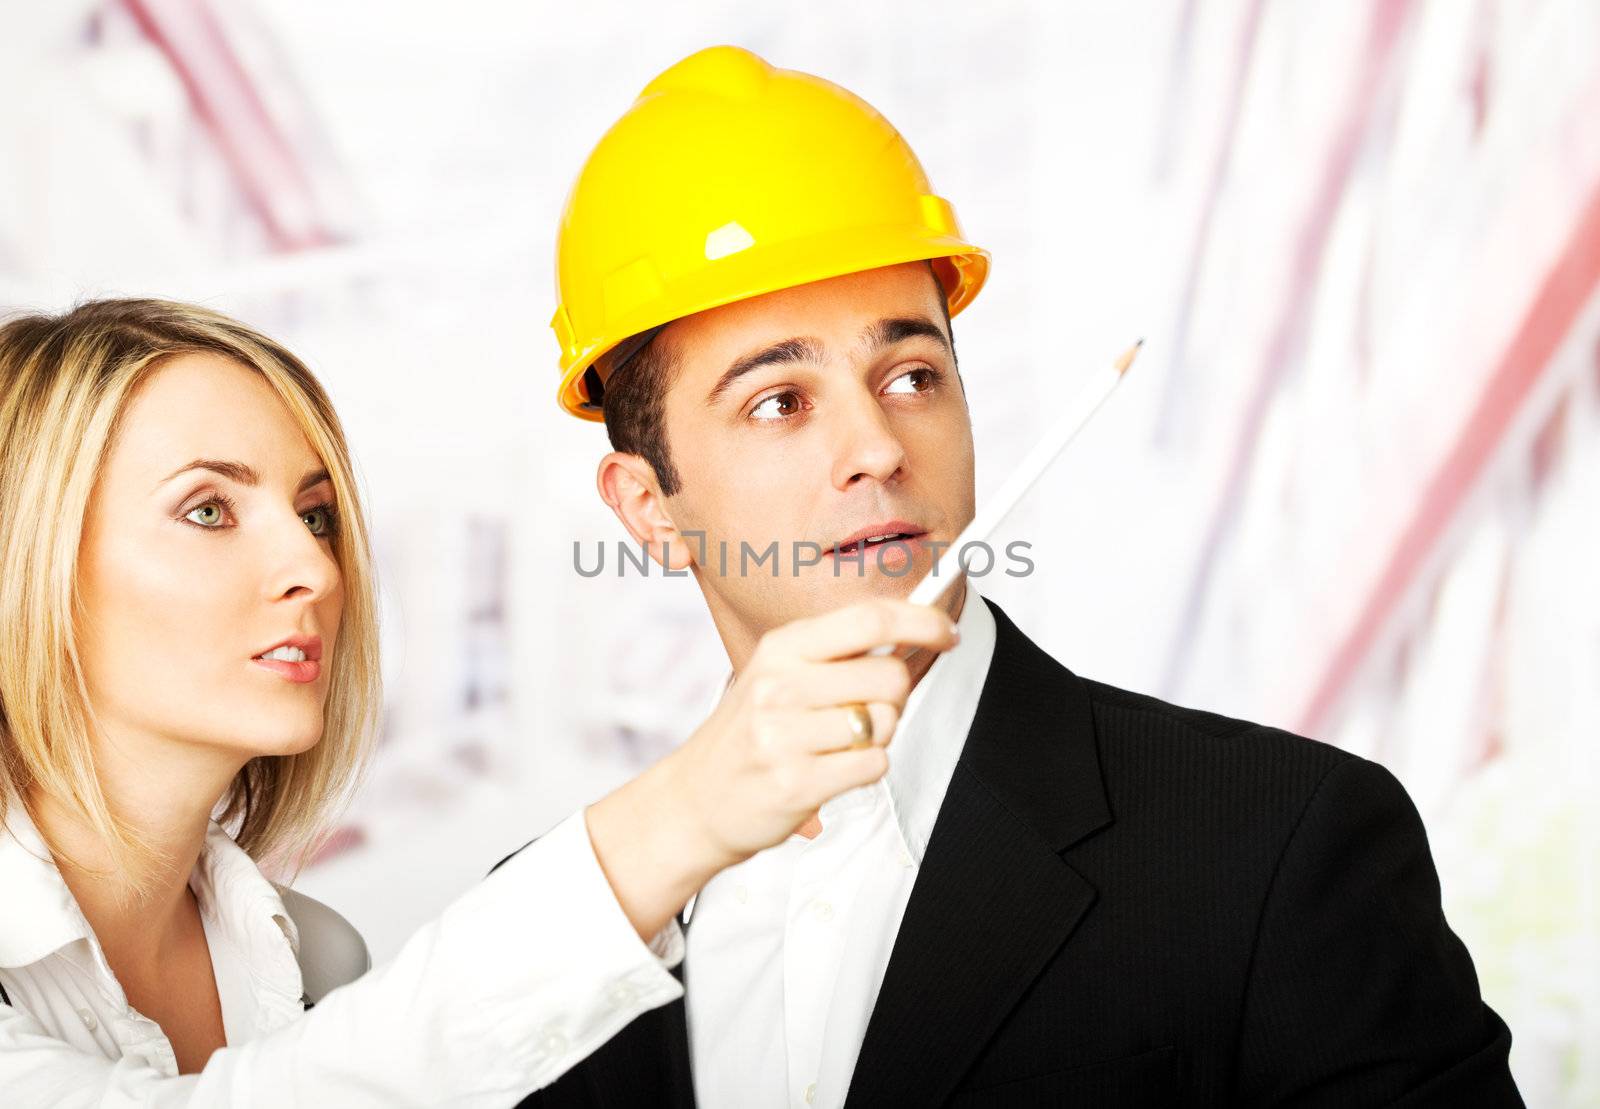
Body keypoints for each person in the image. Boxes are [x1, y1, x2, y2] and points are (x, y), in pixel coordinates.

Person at [511, 46, 1523, 1107]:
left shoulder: (1275, 846)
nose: (877, 447)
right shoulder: (547, 930)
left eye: (910, 376)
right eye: (780, 402)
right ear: (645, 507)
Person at [0, 297, 958, 1106]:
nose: (313, 568)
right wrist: (683, 815)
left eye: (317, 514)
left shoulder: (314, 961)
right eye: (208, 509)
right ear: (25, 563)